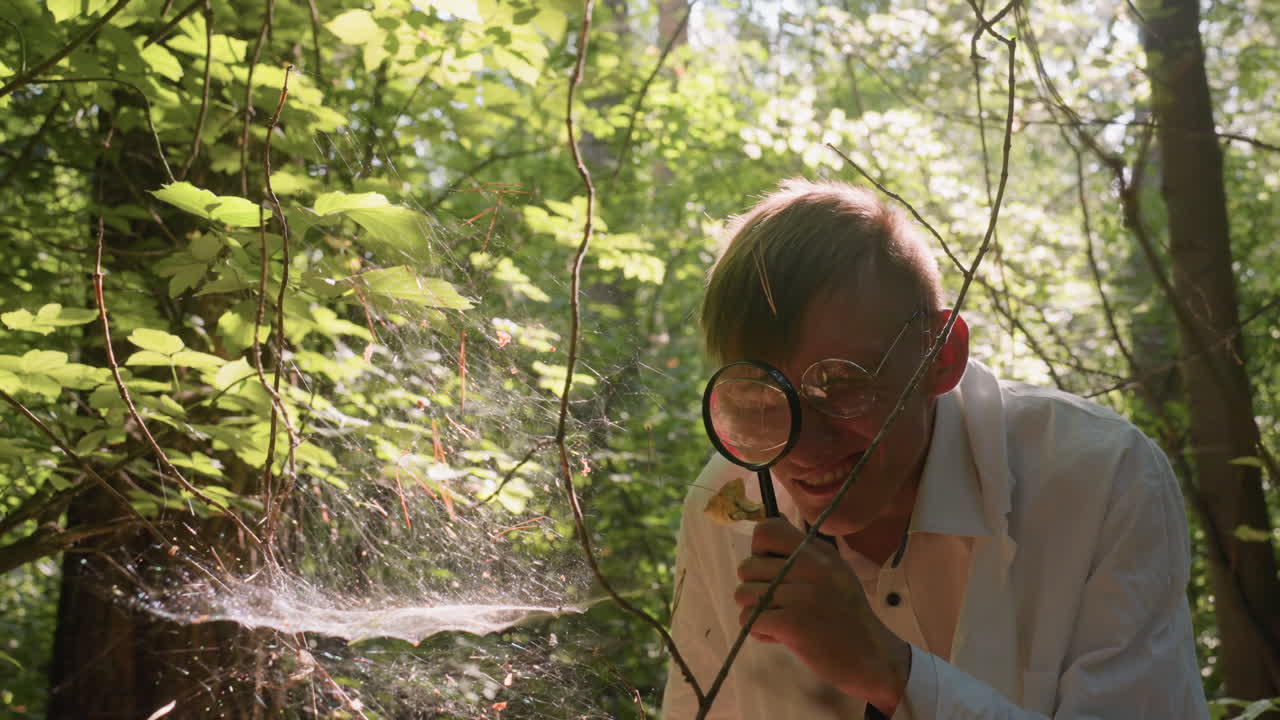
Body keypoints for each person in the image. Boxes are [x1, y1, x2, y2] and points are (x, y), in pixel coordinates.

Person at [662, 178, 1209, 719]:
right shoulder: (727, 502)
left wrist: (890, 673)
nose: (802, 446)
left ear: (941, 356)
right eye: (760, 399)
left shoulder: (1097, 477)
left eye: (840, 384)